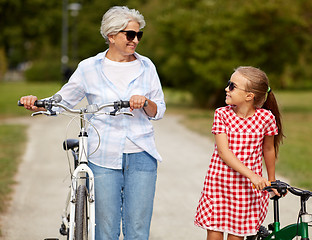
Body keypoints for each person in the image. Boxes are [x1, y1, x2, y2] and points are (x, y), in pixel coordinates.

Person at [20, 6, 166, 240]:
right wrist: (36, 103)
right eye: (130, 35)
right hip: (103, 155)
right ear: (111, 36)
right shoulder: (89, 68)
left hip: (141, 154)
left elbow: (159, 110)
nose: (135, 40)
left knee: (138, 231)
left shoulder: (147, 66)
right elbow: (62, 99)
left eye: (139, 35)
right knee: (105, 231)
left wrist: (146, 101)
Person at [194, 66, 284, 240]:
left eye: (232, 86)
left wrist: (271, 180)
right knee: (214, 232)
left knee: (237, 235)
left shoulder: (266, 118)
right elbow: (224, 152)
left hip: (246, 189)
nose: (226, 89)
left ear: (249, 96)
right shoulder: (222, 115)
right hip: (219, 184)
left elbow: (269, 149)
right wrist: (253, 176)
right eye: (229, 84)